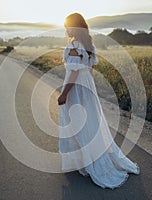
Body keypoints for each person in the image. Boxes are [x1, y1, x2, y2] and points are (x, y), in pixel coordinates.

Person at [58, 13, 140, 189]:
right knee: (89, 123)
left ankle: (86, 162)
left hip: (76, 89)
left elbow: (73, 72)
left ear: (75, 26)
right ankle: (90, 158)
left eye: (68, 26)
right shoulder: (88, 45)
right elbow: (87, 69)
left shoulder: (74, 45)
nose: (66, 29)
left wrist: (64, 94)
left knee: (77, 124)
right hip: (87, 87)